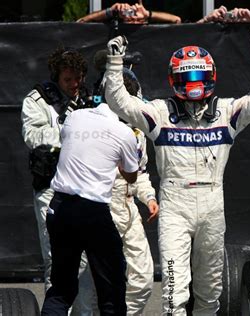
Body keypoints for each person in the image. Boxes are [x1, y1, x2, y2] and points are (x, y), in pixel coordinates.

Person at [104, 26, 250, 314]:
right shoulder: (159, 112)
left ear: (210, 77)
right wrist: (113, 63)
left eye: (199, 76)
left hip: (212, 203)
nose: (194, 83)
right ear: (175, 79)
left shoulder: (226, 112)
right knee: (173, 293)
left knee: (209, 293)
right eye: (187, 77)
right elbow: (119, 102)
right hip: (174, 206)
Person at [72, 68, 159, 316]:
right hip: (98, 208)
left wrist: (150, 198)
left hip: (128, 208)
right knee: (88, 282)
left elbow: (140, 173)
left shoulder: (137, 131)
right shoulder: (89, 127)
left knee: (142, 279)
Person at [41, 100, 139, 315]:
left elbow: (68, 143)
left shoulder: (75, 117)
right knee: (112, 290)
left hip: (59, 207)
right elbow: (131, 176)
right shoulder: (125, 132)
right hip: (92, 211)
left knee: (60, 288)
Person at [21, 46, 90, 293]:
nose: (74, 84)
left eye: (77, 78)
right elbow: (32, 135)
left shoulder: (89, 99)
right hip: (52, 188)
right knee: (57, 258)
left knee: (85, 262)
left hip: (85, 188)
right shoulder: (37, 100)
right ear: (56, 77)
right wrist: (70, 133)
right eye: (67, 79)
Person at [77, 1, 181, 24]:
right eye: (129, 16)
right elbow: (81, 22)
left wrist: (148, 14)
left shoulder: (150, 34)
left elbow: (176, 20)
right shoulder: (114, 33)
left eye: (137, 18)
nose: (134, 19)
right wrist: (110, 12)